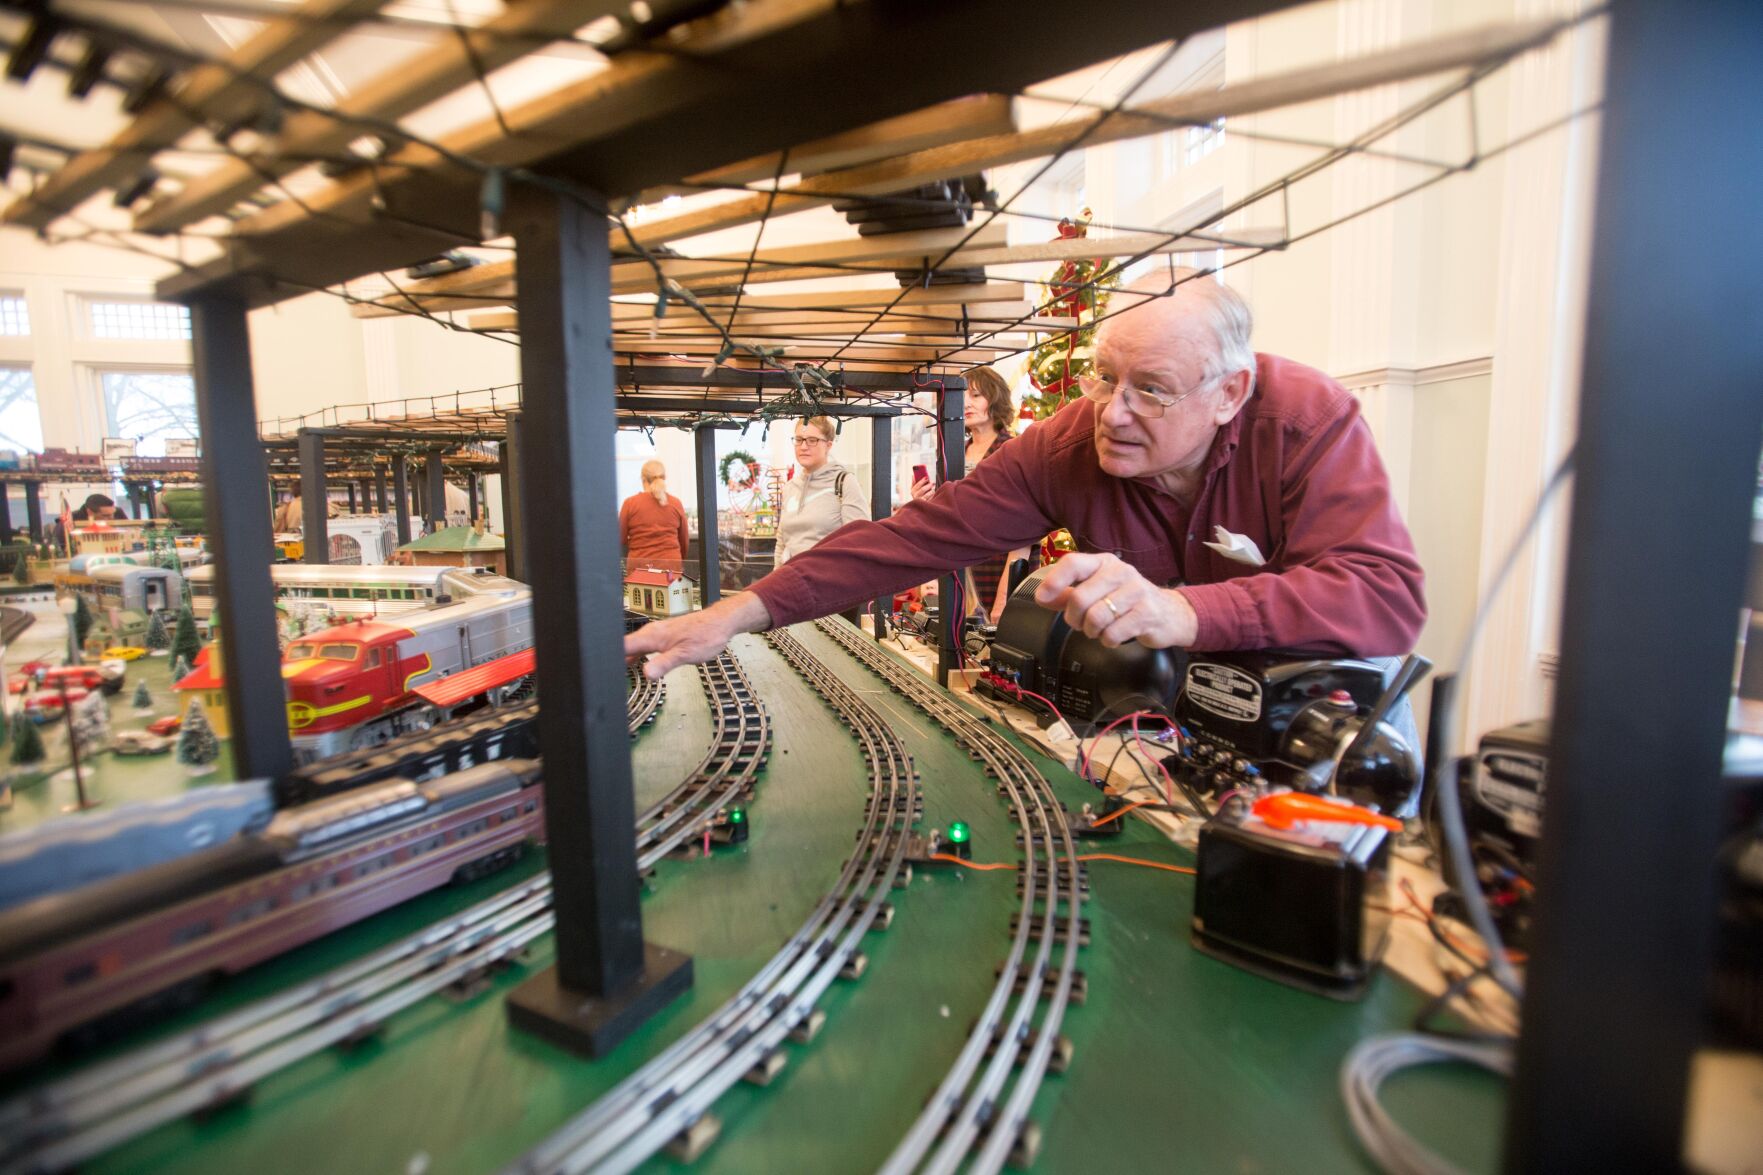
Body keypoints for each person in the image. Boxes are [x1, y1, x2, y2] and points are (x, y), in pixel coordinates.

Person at [627, 270, 1425, 685]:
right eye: (1101, 376)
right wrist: (739, 611)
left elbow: (1384, 598)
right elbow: (912, 541)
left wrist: (1185, 611)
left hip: (1321, 717)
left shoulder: (1305, 420)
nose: (1110, 412)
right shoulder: (1066, 444)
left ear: (1229, 393)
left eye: (1149, 388)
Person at [910, 365, 1029, 623]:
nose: (966, 403)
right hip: (961, 576)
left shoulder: (1013, 451)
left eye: (976, 395)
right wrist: (923, 503)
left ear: (995, 398)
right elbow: (944, 520)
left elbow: (1025, 533)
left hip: (1001, 572)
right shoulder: (952, 454)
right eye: (962, 395)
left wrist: (1004, 597)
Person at [774, 416, 870, 567]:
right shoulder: (790, 488)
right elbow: (782, 542)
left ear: (828, 445)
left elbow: (860, 541)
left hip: (829, 582)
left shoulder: (844, 482)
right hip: (792, 580)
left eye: (812, 440)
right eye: (799, 439)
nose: (804, 446)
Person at [620, 460, 690, 572]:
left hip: (639, 569)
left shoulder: (630, 504)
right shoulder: (676, 503)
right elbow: (684, 542)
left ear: (643, 479)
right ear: (665, 477)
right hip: (671, 568)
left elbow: (620, 539)